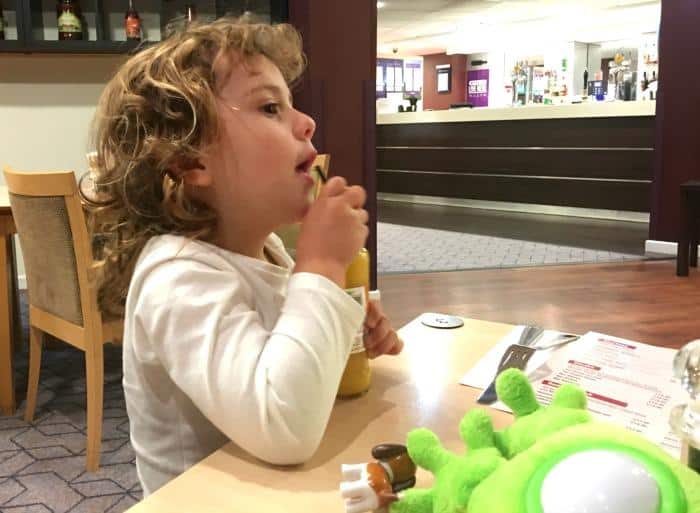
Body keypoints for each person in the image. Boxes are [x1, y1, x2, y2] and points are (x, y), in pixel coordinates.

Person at [82, 16, 403, 496]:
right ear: (190, 162)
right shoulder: (175, 278)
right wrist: (321, 269)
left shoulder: (267, 251)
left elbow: (287, 368)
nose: (306, 121)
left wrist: (340, 329)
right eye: (270, 107)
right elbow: (282, 424)